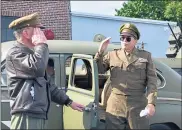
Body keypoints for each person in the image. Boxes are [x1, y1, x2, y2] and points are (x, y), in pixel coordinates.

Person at [6, 12, 85, 130]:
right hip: (26, 113)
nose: (42, 33)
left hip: (36, 113)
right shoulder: (15, 53)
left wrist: (68, 102)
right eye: (38, 30)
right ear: (26, 33)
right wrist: (41, 44)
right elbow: (37, 68)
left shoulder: (33, 54)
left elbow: (48, 85)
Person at [94, 23, 157, 129]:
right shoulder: (112, 55)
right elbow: (98, 70)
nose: (124, 41)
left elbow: (152, 81)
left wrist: (151, 103)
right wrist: (100, 52)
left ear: (135, 40)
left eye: (128, 38)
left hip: (137, 105)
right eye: (122, 38)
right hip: (115, 105)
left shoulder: (145, 56)